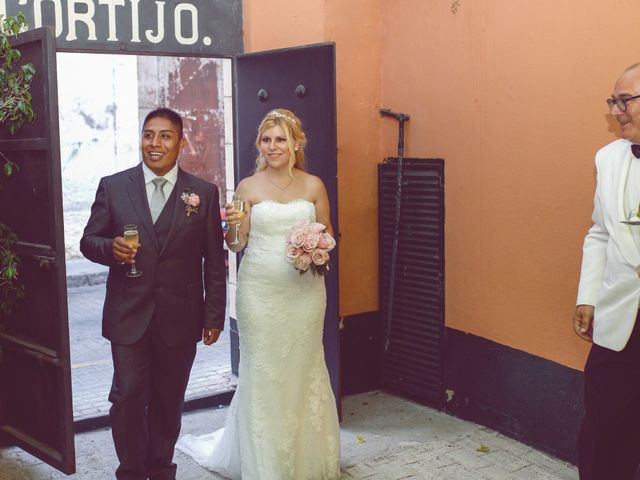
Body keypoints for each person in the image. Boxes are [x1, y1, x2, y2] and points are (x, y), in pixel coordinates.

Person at [176, 108, 341, 479]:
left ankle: (306, 460)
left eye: (280, 139)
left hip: (304, 295)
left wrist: (313, 247)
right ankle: (264, 465)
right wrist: (230, 229)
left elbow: (328, 236)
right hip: (259, 295)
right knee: (264, 373)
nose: (273, 146)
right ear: (259, 145)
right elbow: (237, 245)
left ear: (296, 144)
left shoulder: (314, 185)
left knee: (303, 369)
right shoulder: (248, 187)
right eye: (266, 140)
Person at [80, 107, 227, 480]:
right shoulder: (114, 186)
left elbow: (214, 261)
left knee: (167, 402)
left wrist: (214, 317)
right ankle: (131, 471)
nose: (155, 143)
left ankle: (162, 470)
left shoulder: (204, 194)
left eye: (164, 136)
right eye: (149, 135)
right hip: (128, 315)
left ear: (181, 143)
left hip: (180, 317)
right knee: (128, 397)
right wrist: (108, 249)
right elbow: (88, 241)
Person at [574, 64, 640, 480]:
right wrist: (587, 295)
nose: (617, 111)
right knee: (603, 430)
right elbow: (600, 231)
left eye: (625, 100)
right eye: (613, 102)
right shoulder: (608, 157)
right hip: (620, 321)